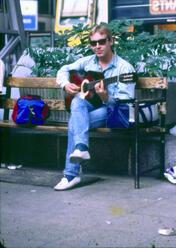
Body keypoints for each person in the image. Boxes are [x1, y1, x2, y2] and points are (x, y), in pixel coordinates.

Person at [54, 24, 135, 191]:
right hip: (91, 108)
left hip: (113, 111)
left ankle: (71, 174)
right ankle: (81, 149)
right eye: (93, 43)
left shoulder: (124, 69)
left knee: (74, 124)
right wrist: (65, 84)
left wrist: (107, 98)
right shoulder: (88, 61)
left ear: (110, 41)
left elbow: (125, 103)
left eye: (102, 42)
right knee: (77, 101)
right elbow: (64, 69)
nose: (97, 46)